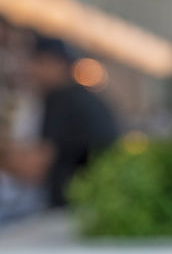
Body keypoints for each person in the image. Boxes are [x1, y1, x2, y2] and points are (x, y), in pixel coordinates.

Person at [0, 36, 118, 208]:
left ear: (54, 63)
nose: (30, 70)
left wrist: (6, 157)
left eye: (36, 62)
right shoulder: (80, 97)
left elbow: (37, 164)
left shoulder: (61, 99)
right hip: (94, 201)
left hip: (74, 204)